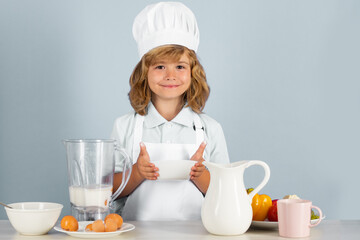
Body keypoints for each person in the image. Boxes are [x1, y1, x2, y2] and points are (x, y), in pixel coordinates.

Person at [111, 2, 229, 221]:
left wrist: (201, 176)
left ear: (194, 73)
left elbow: (226, 192)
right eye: (159, 66)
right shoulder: (125, 126)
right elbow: (107, 189)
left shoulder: (210, 129)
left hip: (199, 234)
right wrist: (136, 173)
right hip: (135, 234)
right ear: (143, 73)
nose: (170, 75)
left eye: (180, 66)